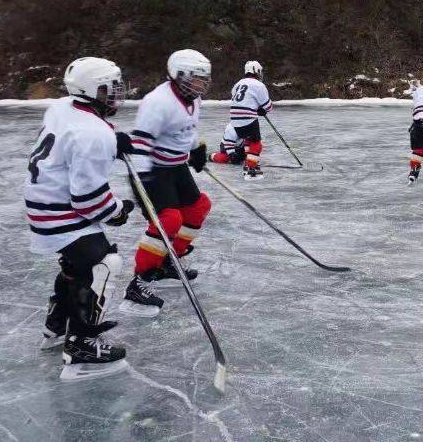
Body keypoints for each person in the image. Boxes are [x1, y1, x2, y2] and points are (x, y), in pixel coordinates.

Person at [25, 56, 136, 381]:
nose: (117, 93)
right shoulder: (92, 132)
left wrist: (113, 140)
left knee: (78, 264)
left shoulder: (62, 107)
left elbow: (69, 143)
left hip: (42, 202)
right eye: (110, 88)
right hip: (60, 211)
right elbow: (88, 199)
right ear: (93, 90)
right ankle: (82, 345)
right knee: (104, 262)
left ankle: (56, 327)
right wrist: (118, 211)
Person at [121, 49, 213, 317]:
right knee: (169, 220)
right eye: (197, 79)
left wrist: (196, 149)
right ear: (179, 76)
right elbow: (140, 143)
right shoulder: (157, 102)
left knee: (198, 208)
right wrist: (142, 181)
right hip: (152, 169)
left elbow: (188, 129)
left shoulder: (193, 99)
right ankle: (139, 281)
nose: (202, 84)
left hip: (176, 166)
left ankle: (168, 260)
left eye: (204, 79)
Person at [229, 60, 272, 180]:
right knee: (257, 144)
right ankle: (251, 168)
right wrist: (261, 110)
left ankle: (249, 160)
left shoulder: (238, 84)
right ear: (257, 71)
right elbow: (268, 106)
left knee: (249, 141)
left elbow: (238, 99)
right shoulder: (259, 85)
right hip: (248, 118)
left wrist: (256, 107)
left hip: (234, 120)